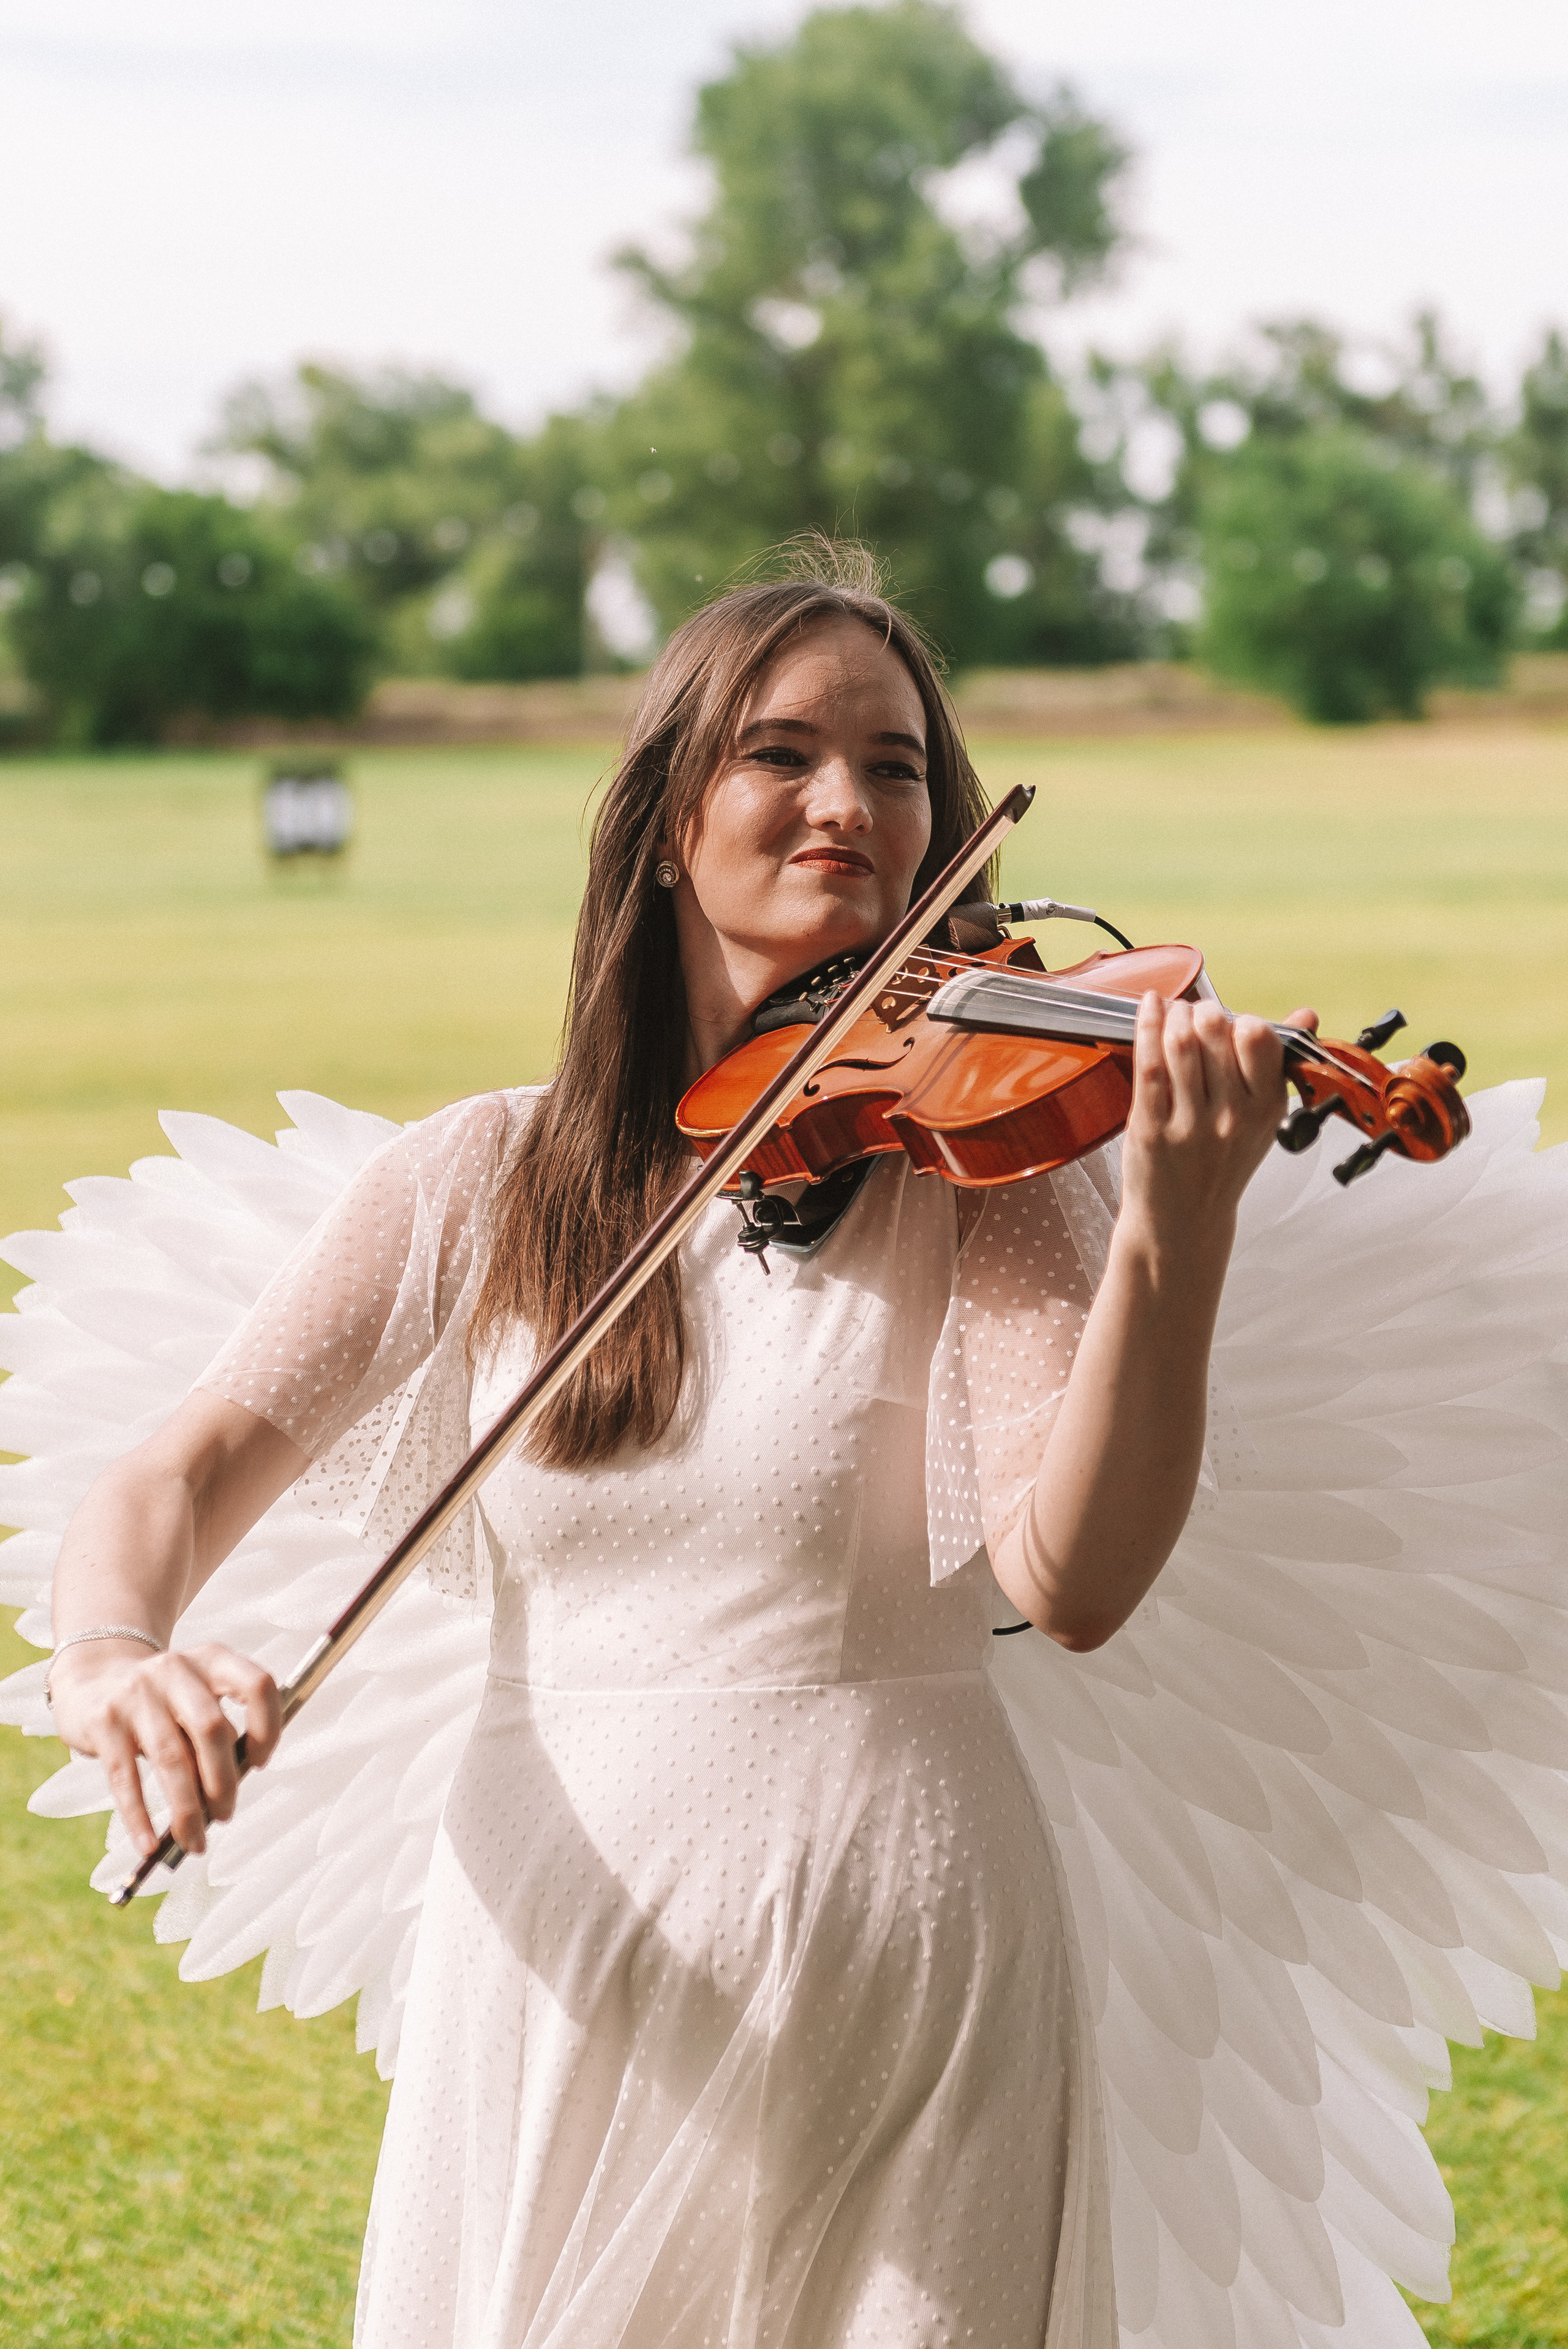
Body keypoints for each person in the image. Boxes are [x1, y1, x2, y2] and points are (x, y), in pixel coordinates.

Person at [32, 547, 1550, 2349]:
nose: (851, 803)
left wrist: (1174, 1230)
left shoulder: (995, 1181)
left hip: (906, 1956)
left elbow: (1075, 1580)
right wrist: (115, 1652)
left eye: (900, 766)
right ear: (669, 819)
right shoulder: (478, 1179)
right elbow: (174, 1477)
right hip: (560, 1961)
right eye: (783, 753)